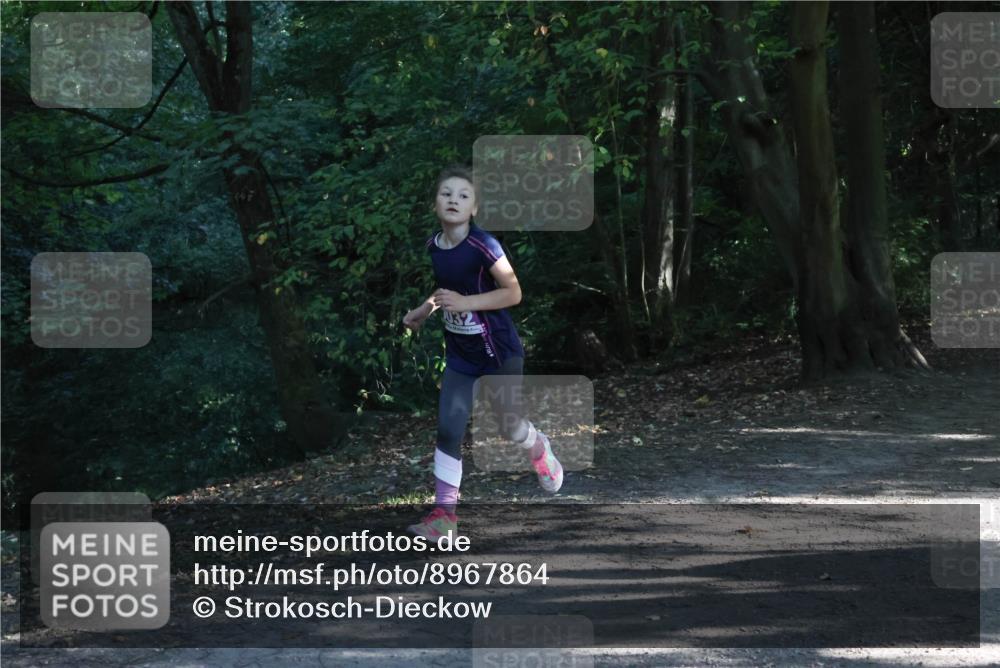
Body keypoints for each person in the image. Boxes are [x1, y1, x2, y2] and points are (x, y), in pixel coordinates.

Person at [401, 165, 563, 543]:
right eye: (446, 194)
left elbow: (513, 293)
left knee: (509, 426)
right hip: (462, 356)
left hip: (500, 352)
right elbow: (446, 290)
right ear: (434, 204)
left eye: (463, 196)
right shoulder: (434, 246)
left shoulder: (483, 245)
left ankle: (539, 447)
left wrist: (465, 302)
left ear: (474, 208)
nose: (453, 200)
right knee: (448, 429)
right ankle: (444, 516)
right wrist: (426, 309)